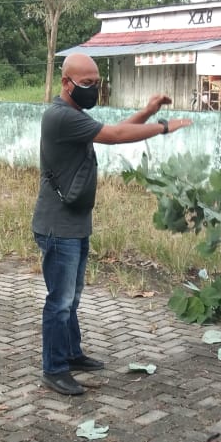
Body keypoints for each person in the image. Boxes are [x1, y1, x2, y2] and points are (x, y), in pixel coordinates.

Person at [32, 52, 191, 396]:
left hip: (74, 223)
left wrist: (148, 112)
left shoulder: (74, 115)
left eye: (96, 83)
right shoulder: (60, 117)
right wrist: (163, 127)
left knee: (71, 299)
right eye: (86, 83)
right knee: (59, 302)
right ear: (66, 82)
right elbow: (117, 135)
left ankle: (71, 354)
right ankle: (54, 368)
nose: (92, 88)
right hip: (58, 227)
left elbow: (112, 130)